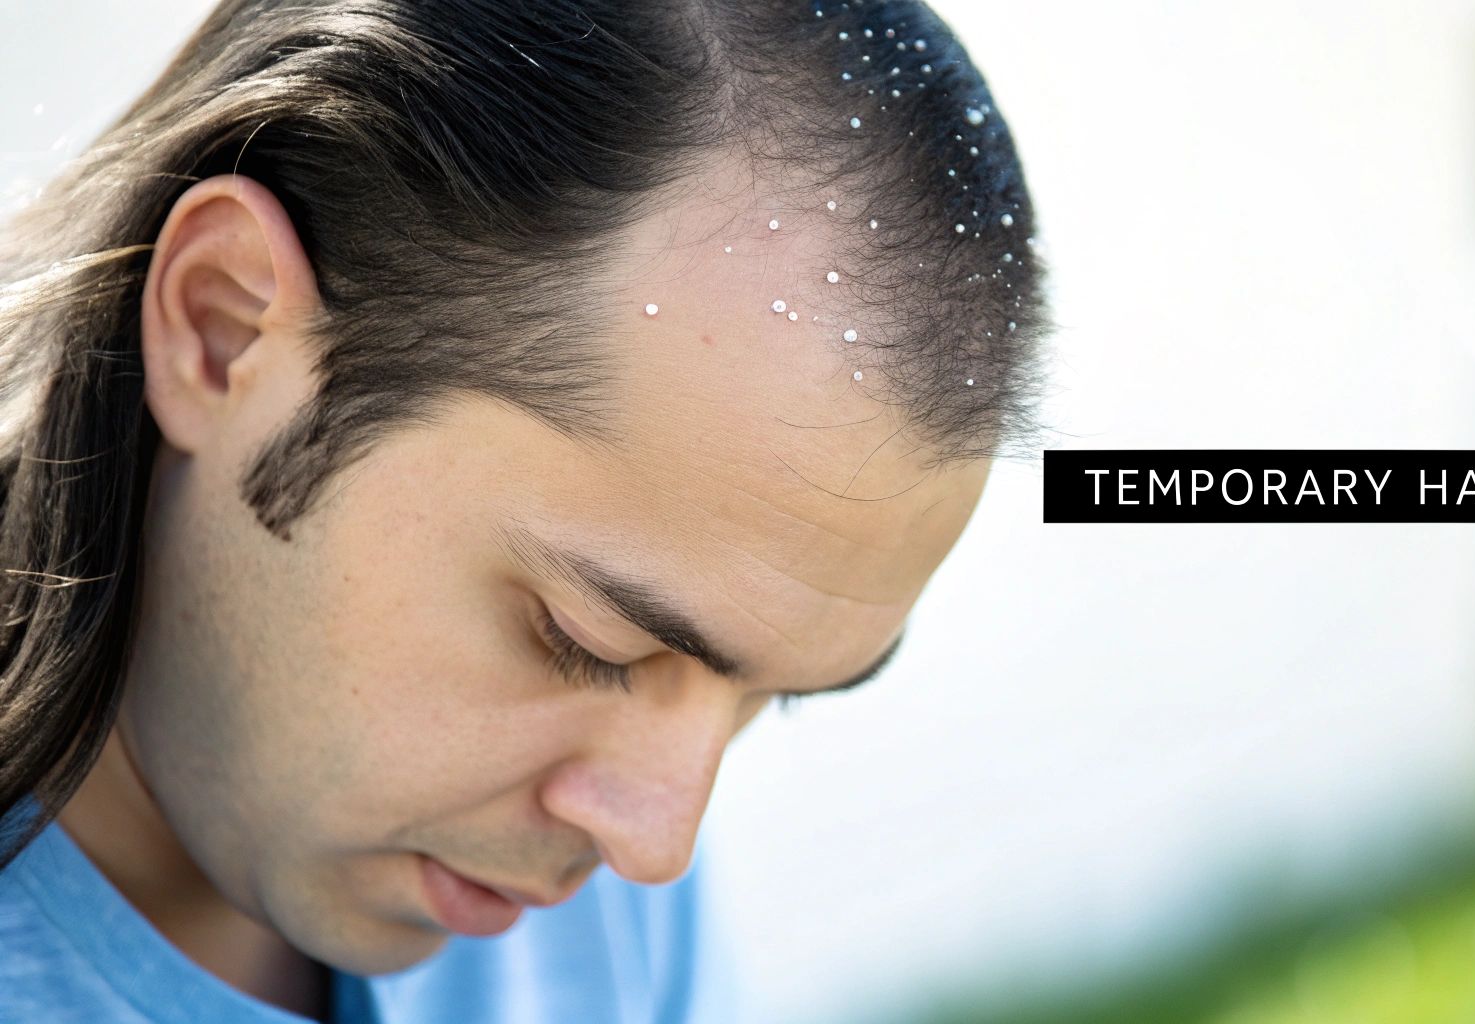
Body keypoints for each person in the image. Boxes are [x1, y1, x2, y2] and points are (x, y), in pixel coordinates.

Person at [0, 0, 1050, 1020]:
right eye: (583, 641)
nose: (653, 844)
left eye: (762, 700)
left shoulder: (549, 886)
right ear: (221, 324)